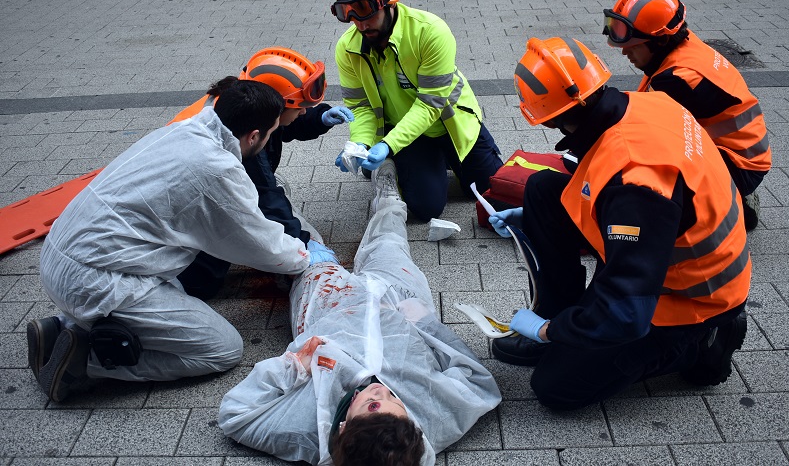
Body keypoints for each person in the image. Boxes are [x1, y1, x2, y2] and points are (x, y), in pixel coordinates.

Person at [27, 80, 337, 403]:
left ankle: (63, 329)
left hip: (62, 251)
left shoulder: (192, 128)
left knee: (177, 290)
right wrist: (304, 255)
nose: (272, 137)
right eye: (271, 133)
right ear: (254, 136)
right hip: (92, 277)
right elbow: (259, 242)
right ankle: (85, 360)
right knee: (222, 348)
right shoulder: (216, 171)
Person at [488, 36, 750, 410]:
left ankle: (701, 345)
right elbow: (604, 180)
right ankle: (561, 311)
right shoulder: (647, 102)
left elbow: (627, 312)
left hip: (689, 296)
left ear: (551, 117)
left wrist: (550, 331)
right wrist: (532, 219)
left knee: (556, 387)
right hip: (664, 250)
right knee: (543, 190)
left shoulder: (636, 184)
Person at [218, 159, 501, 465]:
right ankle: (388, 190)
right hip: (398, 302)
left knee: (300, 245)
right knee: (390, 238)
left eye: (372, 405)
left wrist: (293, 367)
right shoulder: (434, 427)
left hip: (328, 305)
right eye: (398, 402)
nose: (382, 391)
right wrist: (425, 323)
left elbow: (235, 416)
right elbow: (479, 382)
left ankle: (271, 190)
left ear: (342, 428)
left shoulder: (303, 430)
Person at [331, 0, 503, 222]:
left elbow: (430, 104)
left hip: (453, 123)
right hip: (408, 132)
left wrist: (387, 145)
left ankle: (444, 158)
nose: (360, 24)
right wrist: (361, 143)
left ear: (390, 1)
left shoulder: (431, 31)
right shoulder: (347, 48)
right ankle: (413, 163)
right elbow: (360, 107)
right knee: (426, 208)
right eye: (348, 13)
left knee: (492, 191)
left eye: (365, 10)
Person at [173, 48, 354, 299]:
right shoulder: (235, 134)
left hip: (197, 189)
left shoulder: (246, 105)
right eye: (300, 107)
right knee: (203, 281)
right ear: (275, 108)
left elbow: (286, 124)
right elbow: (264, 193)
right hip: (186, 209)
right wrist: (302, 243)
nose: (303, 111)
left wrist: (319, 118)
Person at [603, 0, 771, 231]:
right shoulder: (683, 45)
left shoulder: (679, 78)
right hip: (742, 154)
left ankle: (731, 203)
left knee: (642, 176)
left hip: (739, 165)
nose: (624, 51)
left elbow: (643, 133)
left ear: (659, 41)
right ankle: (731, 193)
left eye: (633, 45)